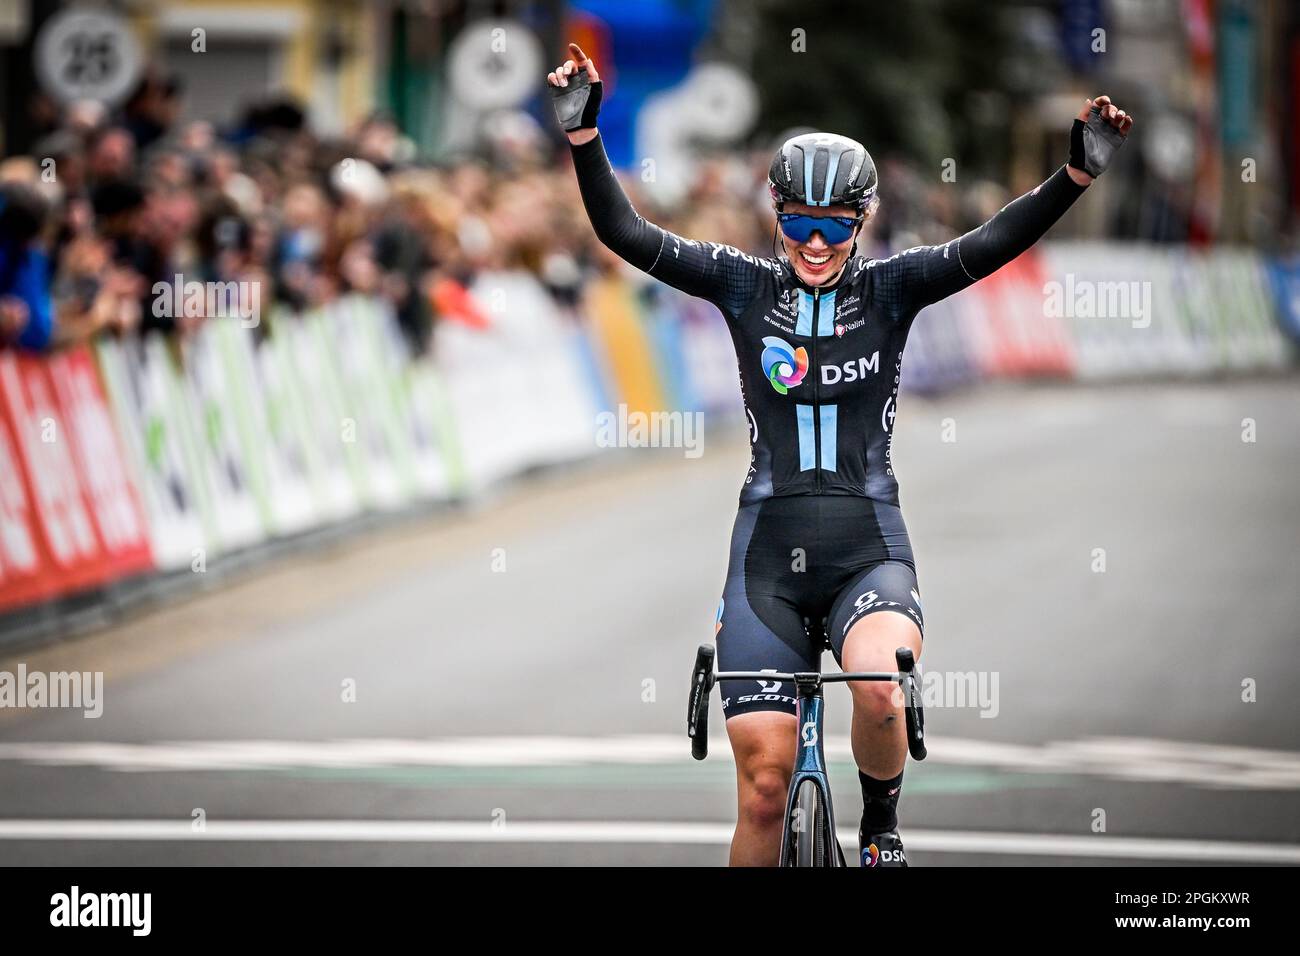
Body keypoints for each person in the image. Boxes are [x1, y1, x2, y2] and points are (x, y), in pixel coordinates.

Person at [547, 43, 1132, 867]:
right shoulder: (742, 284)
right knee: (760, 787)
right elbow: (624, 231)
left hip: (866, 548)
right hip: (766, 562)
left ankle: (881, 826)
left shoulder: (891, 290)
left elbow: (995, 241)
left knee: (881, 689)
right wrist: (583, 140)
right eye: (798, 223)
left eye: (835, 226)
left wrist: (1071, 177)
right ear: (775, 214)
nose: (815, 243)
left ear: (862, 223)